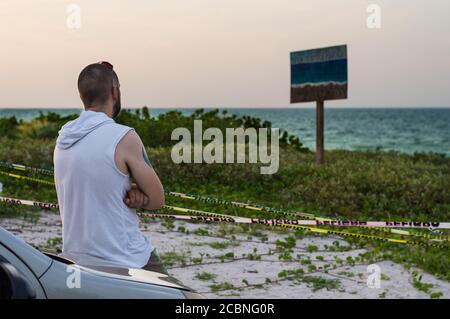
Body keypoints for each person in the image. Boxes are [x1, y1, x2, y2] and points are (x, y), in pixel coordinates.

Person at [54, 61, 167, 274]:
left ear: (82, 97)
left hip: (75, 258)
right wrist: (140, 193)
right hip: (124, 256)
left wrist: (131, 189)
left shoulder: (63, 138)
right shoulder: (124, 137)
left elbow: (100, 178)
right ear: (114, 92)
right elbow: (157, 199)